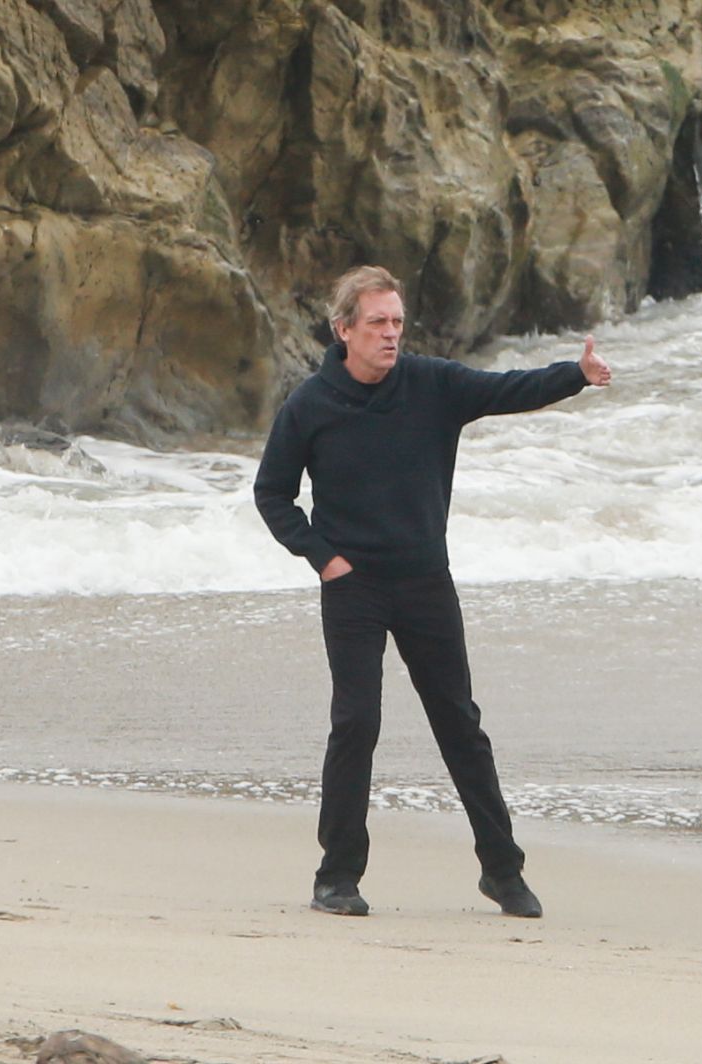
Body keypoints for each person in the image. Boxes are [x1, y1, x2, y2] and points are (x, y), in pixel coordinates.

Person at [253, 265, 611, 918]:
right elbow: (272, 493)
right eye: (377, 323)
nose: (391, 334)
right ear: (344, 330)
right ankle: (337, 877)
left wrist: (575, 375)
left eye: (397, 322)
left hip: (424, 582)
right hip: (353, 588)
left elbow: (507, 389)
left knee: (459, 724)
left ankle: (503, 871)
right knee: (356, 723)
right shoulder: (310, 405)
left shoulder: (432, 385)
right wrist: (323, 559)